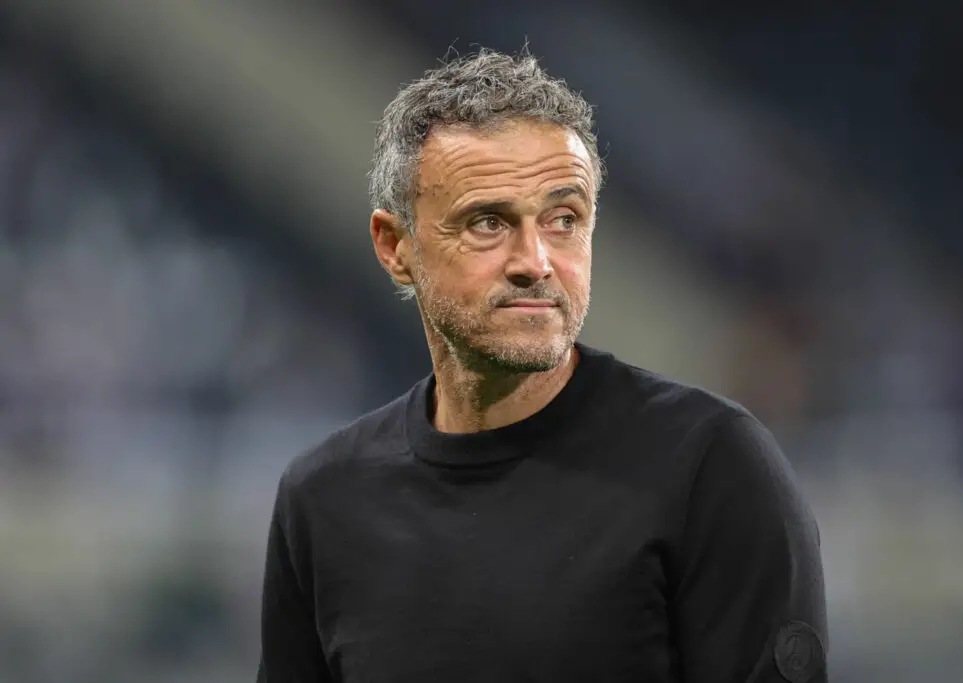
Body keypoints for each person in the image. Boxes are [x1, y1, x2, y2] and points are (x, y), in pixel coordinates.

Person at [257, 48, 828, 683]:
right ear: (396, 247)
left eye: (563, 219)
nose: (535, 261)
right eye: (487, 222)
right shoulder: (323, 499)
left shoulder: (710, 467)